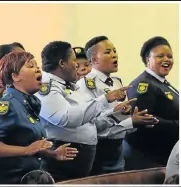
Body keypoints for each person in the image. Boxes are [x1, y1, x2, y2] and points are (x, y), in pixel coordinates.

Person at [35, 41, 146, 182]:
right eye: (74, 60)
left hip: (81, 162)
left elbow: (91, 122)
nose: (77, 64)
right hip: (62, 161)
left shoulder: (71, 86)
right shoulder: (48, 87)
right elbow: (66, 118)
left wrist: (116, 115)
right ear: (62, 63)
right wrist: (104, 99)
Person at [0, 51, 78, 184]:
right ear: (16, 76)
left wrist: (53, 154)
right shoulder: (7, 105)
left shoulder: (30, 104)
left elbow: (27, 144)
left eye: (37, 66)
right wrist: (27, 150)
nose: (37, 69)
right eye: (30, 66)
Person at [77, 35, 158, 175]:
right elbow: (91, 126)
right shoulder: (85, 84)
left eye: (114, 51)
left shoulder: (116, 82)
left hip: (118, 151)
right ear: (94, 60)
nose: (114, 55)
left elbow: (120, 123)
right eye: (108, 52)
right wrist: (127, 121)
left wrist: (137, 121)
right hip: (98, 151)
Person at [125, 36, 179, 169]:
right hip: (148, 159)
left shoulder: (162, 83)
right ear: (148, 59)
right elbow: (146, 121)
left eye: (169, 56)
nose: (166, 60)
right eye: (160, 56)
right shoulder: (144, 84)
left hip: (164, 156)